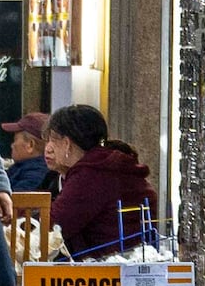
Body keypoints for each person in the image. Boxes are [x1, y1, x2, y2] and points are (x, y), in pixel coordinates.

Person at [46, 105, 154, 255]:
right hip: (134, 258)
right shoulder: (107, 165)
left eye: (52, 140)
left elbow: (53, 226)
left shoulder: (91, 174)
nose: (49, 148)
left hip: (106, 264)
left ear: (67, 143)